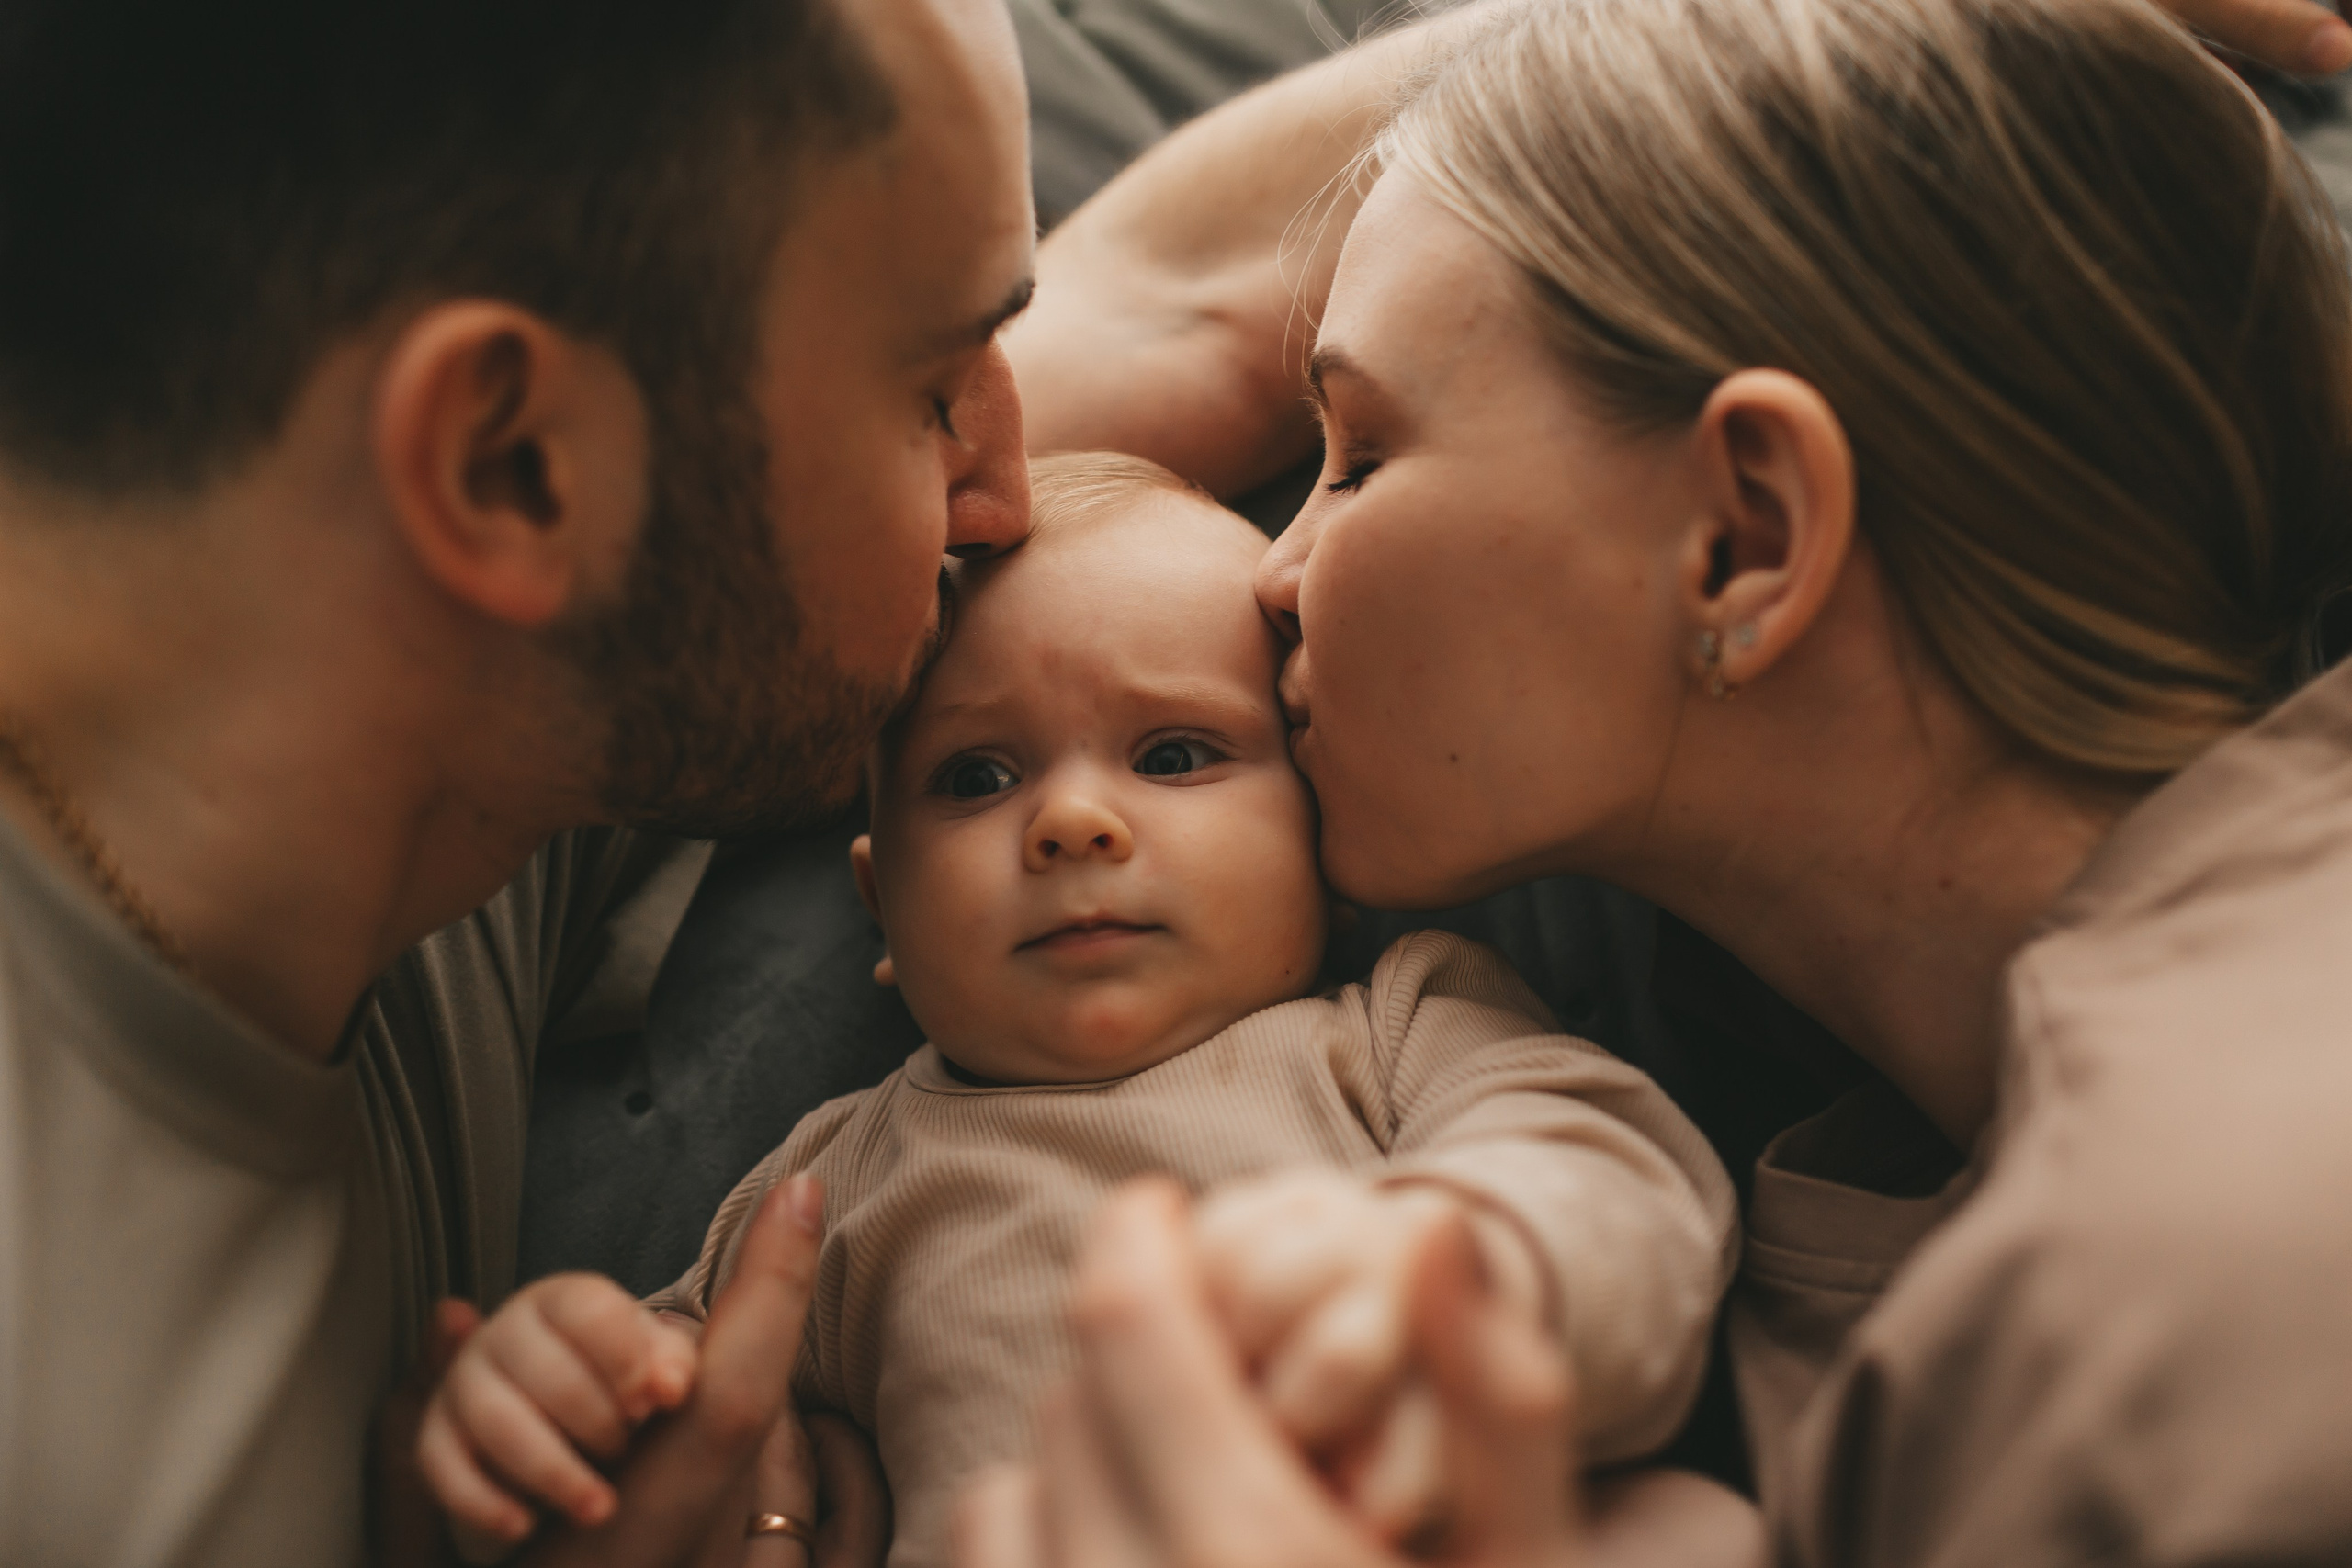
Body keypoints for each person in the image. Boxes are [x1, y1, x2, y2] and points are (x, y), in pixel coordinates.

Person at [976, 0, 2352, 1562]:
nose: (1272, 576)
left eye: (1356, 452)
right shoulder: (1897, 1216)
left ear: (1745, 538)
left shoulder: (2226, 1275)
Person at [0, 0, 1035, 1562]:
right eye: (932, 389)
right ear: (509, 467)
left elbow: (1186, 305)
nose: (1011, 493)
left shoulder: (386, 659)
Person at [423, 454, 1737, 1566]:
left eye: (1173, 754)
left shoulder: (1392, 1027)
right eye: (976, 777)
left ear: (1326, 837)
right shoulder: (831, 1183)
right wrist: (577, 1383)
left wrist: (1470, 1269)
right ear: (878, 909)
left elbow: (1620, 1171)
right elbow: (702, 1406)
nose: (1070, 823)